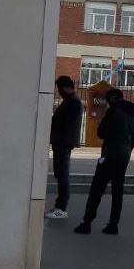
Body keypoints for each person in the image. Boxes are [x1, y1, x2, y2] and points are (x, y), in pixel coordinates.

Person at [75, 88, 134, 235]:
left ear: (112, 98)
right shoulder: (133, 112)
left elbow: (101, 133)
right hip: (124, 156)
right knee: (118, 191)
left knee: (97, 188)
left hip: (109, 155)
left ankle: (87, 223)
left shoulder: (113, 111)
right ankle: (113, 224)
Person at [46, 76, 82, 220]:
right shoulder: (70, 101)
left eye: (60, 89)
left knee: (62, 174)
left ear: (67, 87)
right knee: (60, 173)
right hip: (62, 141)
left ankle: (61, 207)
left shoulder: (73, 102)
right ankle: (60, 206)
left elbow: (61, 122)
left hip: (63, 142)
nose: (59, 92)